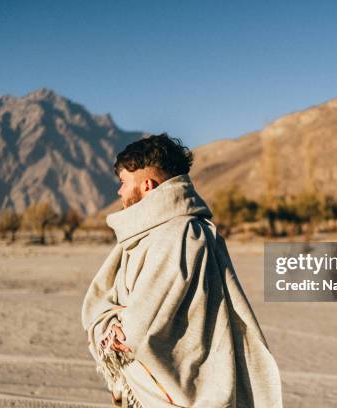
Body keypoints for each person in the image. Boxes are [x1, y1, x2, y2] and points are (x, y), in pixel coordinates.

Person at [81, 133, 283, 407]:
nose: (119, 192)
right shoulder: (162, 232)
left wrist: (113, 325)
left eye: (123, 183)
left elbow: (138, 330)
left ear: (148, 185)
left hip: (181, 391)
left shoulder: (179, 235)